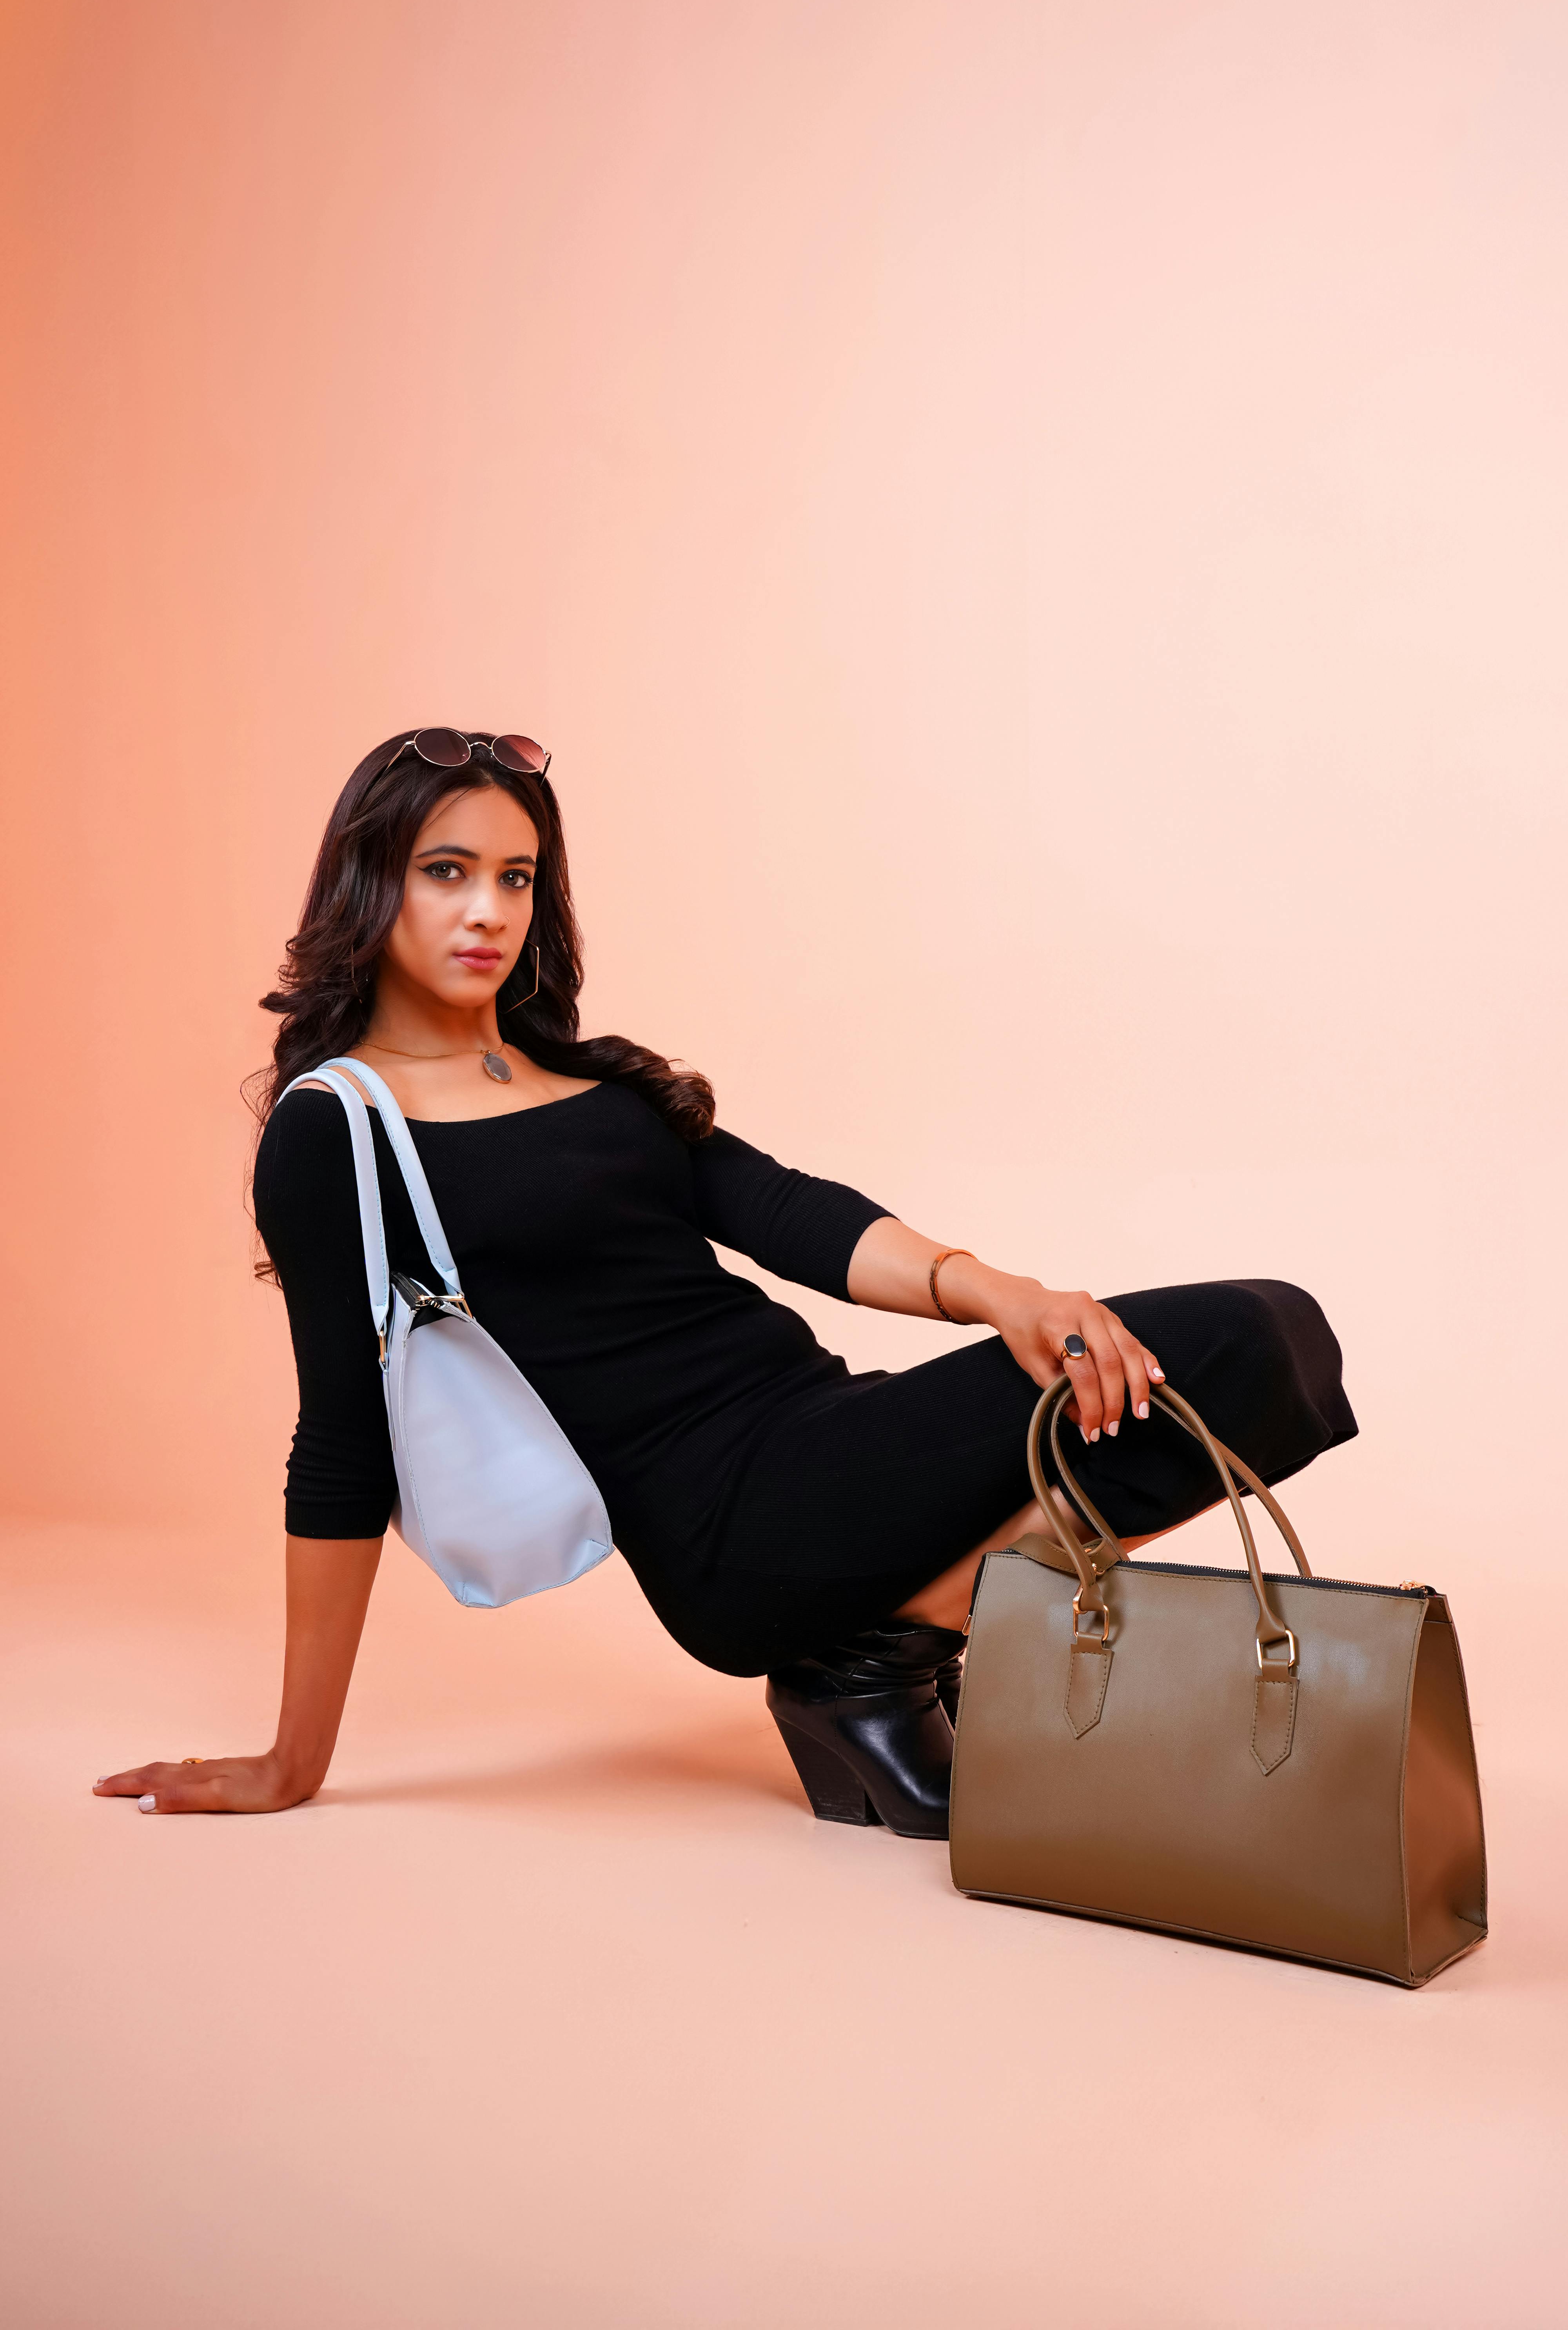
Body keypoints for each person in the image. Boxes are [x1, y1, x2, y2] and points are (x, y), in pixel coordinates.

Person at [94, 730, 1356, 1838]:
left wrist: (1007, 1294)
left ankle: (876, 1646)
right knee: (1245, 1335)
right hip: (728, 1530)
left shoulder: (593, 1080)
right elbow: (341, 1443)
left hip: (827, 1435)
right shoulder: (341, 1129)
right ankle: (880, 1645)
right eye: (446, 872)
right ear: (374, 885)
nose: (488, 911)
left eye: (516, 877)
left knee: (1279, 1340)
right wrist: (290, 1761)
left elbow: (791, 1216)